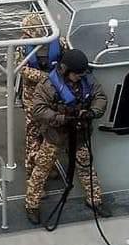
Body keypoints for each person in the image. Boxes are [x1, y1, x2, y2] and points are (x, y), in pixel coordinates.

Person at [26, 48, 110, 224]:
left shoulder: (86, 79)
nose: (80, 77)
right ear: (65, 70)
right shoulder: (48, 85)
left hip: (79, 134)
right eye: (76, 74)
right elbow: (38, 109)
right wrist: (61, 118)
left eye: (81, 74)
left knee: (86, 168)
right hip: (56, 135)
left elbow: (100, 97)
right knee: (42, 169)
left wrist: (93, 112)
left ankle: (94, 200)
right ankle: (31, 204)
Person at [16, 12, 67, 180]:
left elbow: (66, 60)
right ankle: (32, 169)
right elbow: (22, 69)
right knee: (33, 134)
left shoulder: (58, 42)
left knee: (50, 132)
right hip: (32, 96)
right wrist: (47, 77)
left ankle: (47, 166)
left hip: (51, 95)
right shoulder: (22, 46)